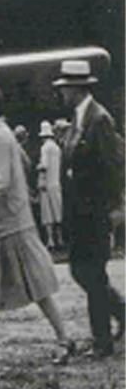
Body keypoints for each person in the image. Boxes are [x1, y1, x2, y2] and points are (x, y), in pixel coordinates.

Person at [0, 85, 75, 369]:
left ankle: (64, 338)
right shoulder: (5, 135)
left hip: (11, 225)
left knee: (35, 286)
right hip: (8, 224)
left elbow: (1, 183)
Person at [53, 59, 125, 358]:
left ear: (77, 88)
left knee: (91, 273)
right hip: (80, 212)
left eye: (65, 88)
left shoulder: (99, 120)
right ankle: (121, 313)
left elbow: (114, 166)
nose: (61, 93)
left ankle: (102, 342)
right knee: (82, 271)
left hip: (95, 210)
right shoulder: (78, 121)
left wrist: (117, 205)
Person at [37, 121, 64, 252]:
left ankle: (50, 240)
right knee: (57, 212)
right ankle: (60, 238)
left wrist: (39, 174)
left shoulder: (45, 148)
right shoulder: (57, 148)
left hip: (47, 184)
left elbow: (44, 166)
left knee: (47, 214)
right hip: (56, 182)